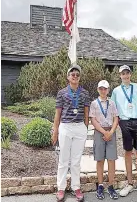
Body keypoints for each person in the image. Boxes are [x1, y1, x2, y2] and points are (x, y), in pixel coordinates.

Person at [52, 65, 90, 202]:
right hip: (66, 127)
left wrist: (85, 128)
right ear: (68, 77)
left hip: (79, 127)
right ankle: (61, 188)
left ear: (79, 77)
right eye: (72, 74)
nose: (75, 76)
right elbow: (58, 113)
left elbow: (86, 113)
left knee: (76, 161)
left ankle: (76, 187)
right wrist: (55, 130)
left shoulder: (85, 93)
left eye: (77, 74)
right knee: (63, 159)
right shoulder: (62, 93)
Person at [111, 65, 137, 199]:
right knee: (128, 152)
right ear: (119, 75)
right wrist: (117, 123)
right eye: (123, 74)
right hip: (125, 122)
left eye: (127, 73)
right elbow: (113, 109)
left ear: (130, 74)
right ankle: (129, 183)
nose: (125, 76)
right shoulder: (116, 91)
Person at [89, 80, 119, 200]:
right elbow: (93, 120)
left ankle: (111, 186)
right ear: (98, 89)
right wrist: (104, 132)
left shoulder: (112, 103)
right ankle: (100, 185)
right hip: (99, 133)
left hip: (111, 132)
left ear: (108, 90)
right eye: (101, 88)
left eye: (105, 89)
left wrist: (110, 132)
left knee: (111, 160)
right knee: (100, 160)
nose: (103, 91)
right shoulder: (94, 103)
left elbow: (116, 118)